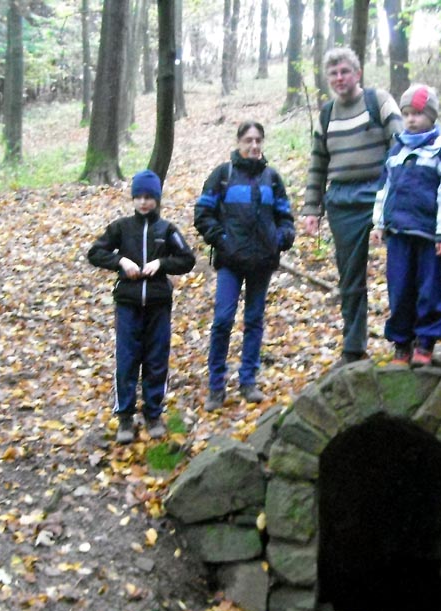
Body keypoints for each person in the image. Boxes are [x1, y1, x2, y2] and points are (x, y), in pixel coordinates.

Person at [302, 48, 404, 366]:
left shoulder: (379, 101)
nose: (339, 78)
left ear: (357, 73)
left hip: (382, 194)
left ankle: (406, 341)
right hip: (342, 201)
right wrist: (311, 208)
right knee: (350, 278)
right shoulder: (327, 114)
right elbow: (318, 163)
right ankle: (353, 346)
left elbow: (401, 147)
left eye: (345, 71)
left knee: (402, 269)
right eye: (333, 74)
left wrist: (401, 193)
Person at [88, 170, 196, 444]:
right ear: (133, 199)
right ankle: (125, 415)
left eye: (149, 197)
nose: (144, 202)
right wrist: (120, 261)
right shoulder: (121, 228)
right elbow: (95, 253)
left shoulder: (167, 230)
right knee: (127, 359)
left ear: (157, 199)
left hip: (158, 303)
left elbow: (187, 259)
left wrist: (161, 264)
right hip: (128, 303)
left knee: (156, 358)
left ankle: (153, 413)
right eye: (139, 197)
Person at [194, 121, 295, 411]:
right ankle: (216, 386)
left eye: (258, 140)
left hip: (262, 261)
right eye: (248, 140)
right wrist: (222, 240)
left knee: (254, 320)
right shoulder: (223, 175)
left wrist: (280, 239)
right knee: (223, 320)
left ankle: (248, 381)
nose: (253, 146)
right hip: (230, 261)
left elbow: (285, 216)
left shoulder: (271, 178)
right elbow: (203, 213)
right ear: (239, 142)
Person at [370, 84, 441, 366]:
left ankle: (425, 341)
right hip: (399, 232)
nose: (411, 119)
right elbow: (384, 190)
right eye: (407, 113)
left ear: (431, 116)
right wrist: (379, 223)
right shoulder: (396, 150)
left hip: (429, 235)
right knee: (399, 288)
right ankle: (401, 343)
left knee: (429, 289)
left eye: (418, 114)